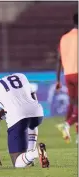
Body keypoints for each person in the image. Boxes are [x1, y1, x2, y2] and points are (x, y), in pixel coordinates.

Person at [0, 73, 49, 168]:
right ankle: (31, 154)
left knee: (17, 162)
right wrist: (5, 111)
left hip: (18, 117)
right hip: (38, 112)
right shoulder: (21, 76)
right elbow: (33, 99)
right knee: (31, 123)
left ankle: (35, 153)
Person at [56, 13, 78, 144]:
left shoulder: (64, 38)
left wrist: (58, 79)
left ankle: (76, 135)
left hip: (68, 74)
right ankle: (67, 123)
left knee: (74, 103)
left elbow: (59, 59)